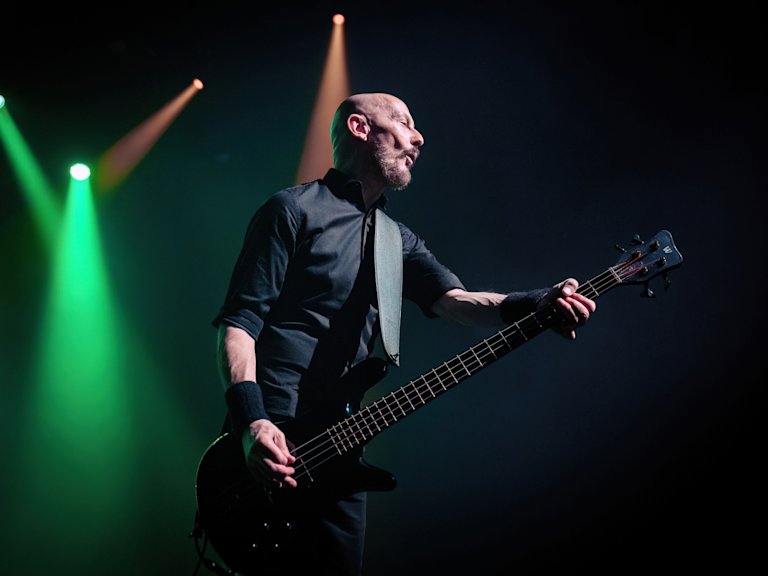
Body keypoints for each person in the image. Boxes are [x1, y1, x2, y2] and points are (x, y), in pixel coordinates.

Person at [211, 92, 596, 575]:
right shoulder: (292, 210)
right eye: (404, 122)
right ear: (359, 128)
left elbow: (457, 304)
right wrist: (252, 424)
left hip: (341, 445)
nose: (419, 137)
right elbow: (239, 323)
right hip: (275, 436)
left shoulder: (397, 240)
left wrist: (539, 301)